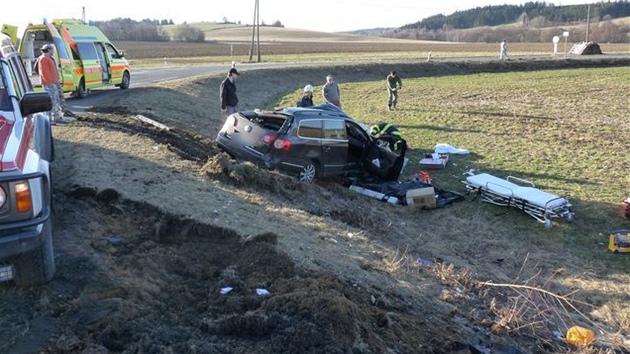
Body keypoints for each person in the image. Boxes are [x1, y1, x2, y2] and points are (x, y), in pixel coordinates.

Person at [38, 44, 66, 124]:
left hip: (53, 82)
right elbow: (45, 73)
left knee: (55, 100)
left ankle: (56, 117)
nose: (53, 51)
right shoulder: (44, 59)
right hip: (49, 84)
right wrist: (50, 82)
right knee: (52, 101)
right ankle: (52, 119)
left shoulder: (49, 58)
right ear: (49, 50)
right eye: (52, 49)